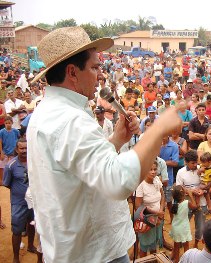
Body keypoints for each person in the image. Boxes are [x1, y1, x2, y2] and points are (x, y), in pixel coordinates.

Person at [26, 27, 182, 263]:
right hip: (94, 252)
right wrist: (158, 131)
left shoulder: (50, 113)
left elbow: (83, 170)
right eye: (94, 67)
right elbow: (116, 181)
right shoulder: (70, 120)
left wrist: (117, 140)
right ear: (72, 72)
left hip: (76, 248)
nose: (100, 75)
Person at [3, 138, 36, 263]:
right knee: (17, 230)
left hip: (33, 202)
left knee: (32, 225)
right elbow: (7, 184)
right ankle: (16, 257)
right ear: (17, 150)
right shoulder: (10, 165)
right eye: (21, 148)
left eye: (26, 148)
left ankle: (31, 246)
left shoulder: (34, 163)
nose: (24, 150)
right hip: (18, 203)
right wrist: (20, 191)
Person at [176, 150, 207, 249]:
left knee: (201, 227)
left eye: (196, 162)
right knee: (184, 225)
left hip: (201, 202)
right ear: (186, 162)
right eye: (192, 163)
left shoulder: (201, 170)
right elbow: (179, 188)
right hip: (186, 203)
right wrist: (190, 191)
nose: (195, 165)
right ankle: (181, 243)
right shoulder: (181, 172)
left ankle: (196, 245)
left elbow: (207, 183)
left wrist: (203, 191)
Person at [135, 161, 165, 257]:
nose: (153, 172)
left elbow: (163, 195)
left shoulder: (157, 180)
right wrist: (156, 213)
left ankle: (153, 259)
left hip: (158, 219)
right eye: (150, 169)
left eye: (155, 169)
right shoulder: (141, 185)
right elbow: (138, 207)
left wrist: (160, 212)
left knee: (154, 245)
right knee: (144, 246)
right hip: (147, 221)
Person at [170, 185, 197, 263]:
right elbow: (194, 207)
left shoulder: (173, 202)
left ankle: (176, 260)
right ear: (183, 194)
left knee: (176, 246)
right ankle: (186, 261)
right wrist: (191, 195)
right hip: (184, 228)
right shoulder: (186, 202)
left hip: (175, 227)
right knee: (186, 245)